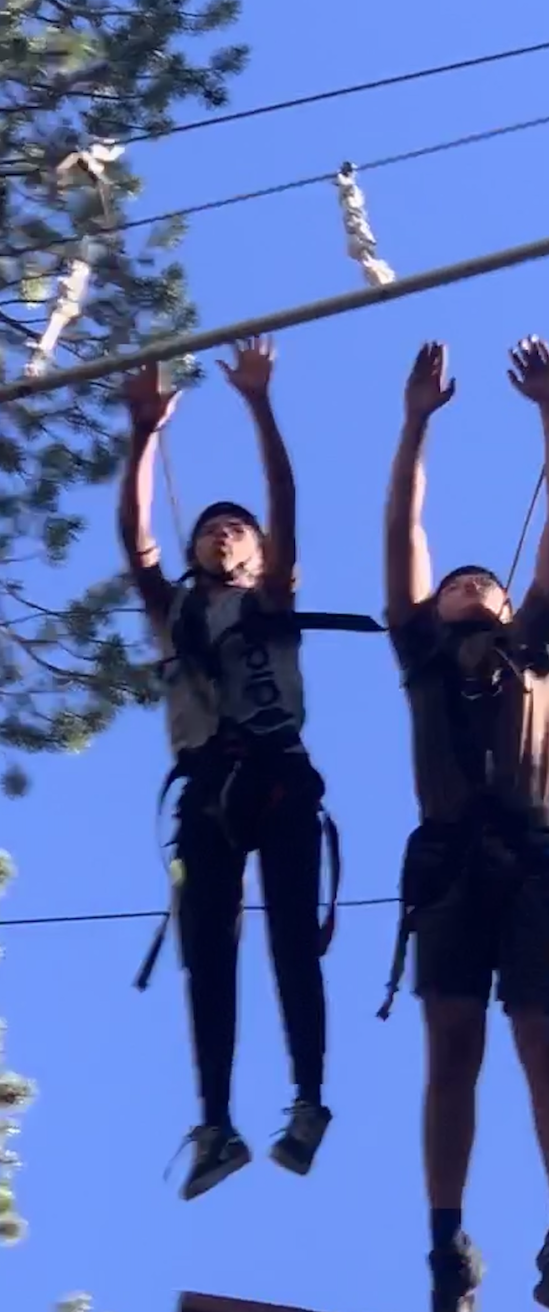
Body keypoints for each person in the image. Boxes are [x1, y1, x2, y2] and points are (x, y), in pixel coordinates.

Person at [384, 335, 549, 1312]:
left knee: (542, 1043)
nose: (469, 585)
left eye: (486, 583)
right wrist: (414, 426)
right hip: (447, 866)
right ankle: (445, 1242)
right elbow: (404, 530)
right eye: (455, 582)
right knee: (452, 1047)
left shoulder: (539, 642)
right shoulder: (423, 653)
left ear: (511, 606)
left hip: (533, 860)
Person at [119, 337, 333, 1201]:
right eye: (210, 528)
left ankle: (309, 1099)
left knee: (291, 939)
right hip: (207, 786)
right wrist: (144, 436)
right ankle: (216, 1124)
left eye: (236, 529)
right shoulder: (174, 610)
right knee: (209, 950)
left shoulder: (271, 595)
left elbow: (284, 498)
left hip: (279, 773)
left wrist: (260, 404)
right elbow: (134, 541)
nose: (222, 533)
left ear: (260, 552)